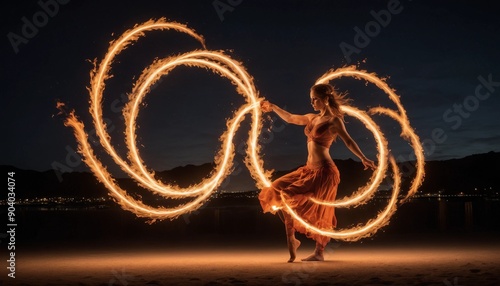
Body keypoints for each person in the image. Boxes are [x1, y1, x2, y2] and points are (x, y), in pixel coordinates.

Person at [259, 83, 376, 262]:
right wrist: (273, 107)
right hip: (307, 170)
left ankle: (319, 252)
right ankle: (292, 238)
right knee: (276, 188)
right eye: (311, 99)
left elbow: (349, 141)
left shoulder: (334, 121)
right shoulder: (312, 118)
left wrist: (363, 158)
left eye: (315, 99)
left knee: (322, 212)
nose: (312, 102)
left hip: (324, 173)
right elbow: (290, 118)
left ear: (326, 99)